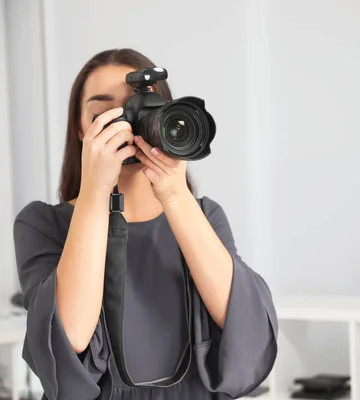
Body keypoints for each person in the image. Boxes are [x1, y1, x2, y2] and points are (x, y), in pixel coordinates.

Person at [12, 48, 278, 400]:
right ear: (80, 128)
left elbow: (248, 330)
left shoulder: (203, 215)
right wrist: (95, 191)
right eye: (105, 113)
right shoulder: (42, 223)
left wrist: (174, 194)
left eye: (140, 111)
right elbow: (70, 335)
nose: (128, 125)